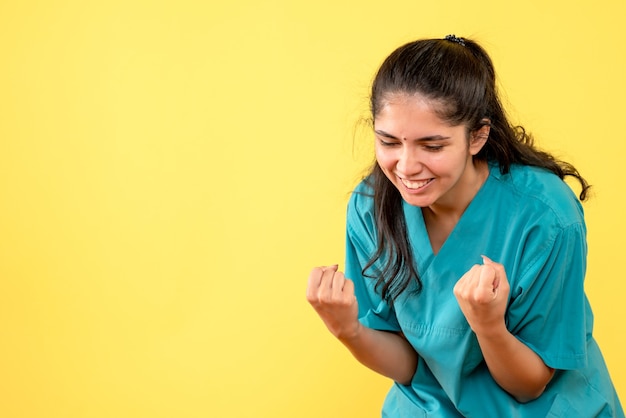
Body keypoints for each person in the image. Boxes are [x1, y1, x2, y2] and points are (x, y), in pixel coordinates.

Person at [306, 35, 624, 417]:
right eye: (388, 142)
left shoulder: (546, 216)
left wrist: (489, 326)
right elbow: (410, 367)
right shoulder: (371, 206)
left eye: (432, 146)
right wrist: (349, 330)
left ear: (477, 136)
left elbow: (530, 385)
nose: (405, 167)